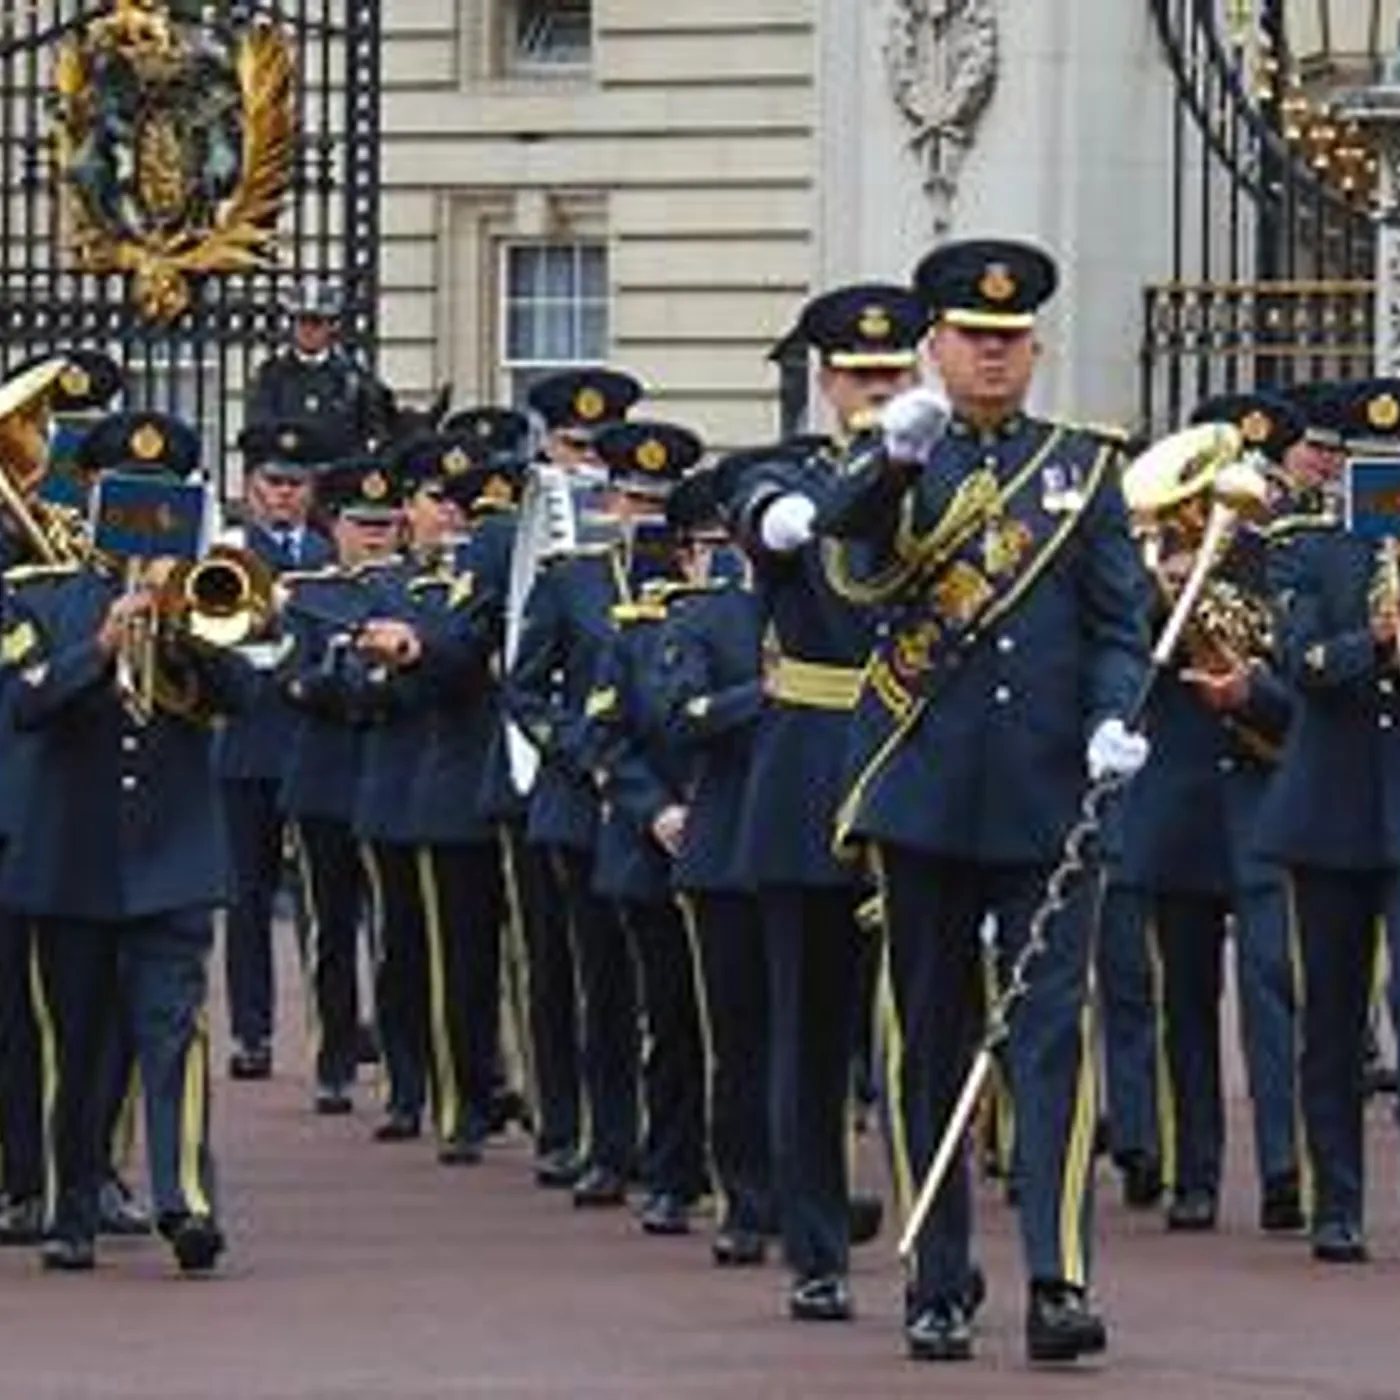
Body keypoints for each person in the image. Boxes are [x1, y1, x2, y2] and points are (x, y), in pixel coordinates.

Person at [817, 238, 1151, 1363]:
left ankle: (1057, 1275)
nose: (993, 357)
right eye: (972, 338)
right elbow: (852, 571)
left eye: (1009, 341)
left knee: (1052, 1036)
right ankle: (935, 1273)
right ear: (934, 345)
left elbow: (1117, 622)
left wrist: (1116, 714)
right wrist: (891, 467)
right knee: (926, 1039)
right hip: (923, 788)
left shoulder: (1085, 467)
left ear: (1034, 346)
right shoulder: (894, 457)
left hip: (1049, 790)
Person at [716, 281, 928, 1323]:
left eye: (893, 372)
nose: (877, 388)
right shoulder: (770, 473)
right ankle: (812, 1242)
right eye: (858, 374)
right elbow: (787, 532)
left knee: (923, 1030)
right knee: (807, 1025)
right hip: (810, 765)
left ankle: (934, 1243)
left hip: (923, 761)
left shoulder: (959, 476)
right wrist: (881, 459)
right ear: (823, 380)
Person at [0, 409, 253, 1273]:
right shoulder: (39, 593)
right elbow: (24, 701)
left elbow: (241, 696)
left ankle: (187, 1200)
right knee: (76, 1044)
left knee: (172, 1030)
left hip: (173, 853)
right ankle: (72, 1204)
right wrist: (100, 646)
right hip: (69, 854)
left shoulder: (200, 590)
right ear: (93, 495)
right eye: (126, 496)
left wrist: (182, 628)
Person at [1112, 391, 1304, 1235]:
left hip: (1265, 796)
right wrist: (1167, 599)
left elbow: (1303, 681)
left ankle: (1282, 1168)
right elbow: (1121, 678)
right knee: (1183, 999)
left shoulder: (1280, 563)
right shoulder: (1138, 574)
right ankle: (1195, 1173)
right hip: (1180, 805)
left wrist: (1251, 690)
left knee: (1271, 985)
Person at [1255, 377, 1400, 1264]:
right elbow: (1299, 658)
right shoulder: (1305, 546)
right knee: (1331, 1017)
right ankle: (1335, 1200)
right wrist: (1377, 644)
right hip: (1330, 806)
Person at [506, 367, 646, 1207]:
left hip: (654, 805)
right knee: (590, 980)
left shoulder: (681, 574)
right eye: (583, 455)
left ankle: (668, 1144)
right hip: (584, 802)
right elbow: (524, 689)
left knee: (657, 988)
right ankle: (597, 1136)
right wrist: (579, 751)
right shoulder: (567, 575)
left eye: (614, 470)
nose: (597, 479)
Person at [581, 420, 710, 1235]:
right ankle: (670, 1170)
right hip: (656, 842)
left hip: (739, 842)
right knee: (666, 1019)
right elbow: (606, 732)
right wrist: (655, 809)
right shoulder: (636, 626)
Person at [217, 419, 335, 1081]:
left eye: (297, 484)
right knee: (247, 897)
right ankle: (252, 1031)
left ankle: (333, 1034)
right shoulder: (228, 553)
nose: (285, 496)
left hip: (312, 739)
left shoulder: (327, 550)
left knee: (326, 902)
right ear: (249, 486)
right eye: (273, 483)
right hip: (247, 741)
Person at [246, 280, 392, 459]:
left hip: (339, 475)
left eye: (316, 322)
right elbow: (259, 432)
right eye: (302, 321)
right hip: (288, 475)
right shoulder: (270, 375)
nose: (308, 330)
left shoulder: (353, 376)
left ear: (331, 326)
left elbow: (375, 431)